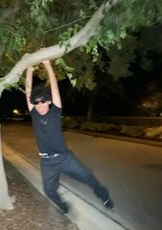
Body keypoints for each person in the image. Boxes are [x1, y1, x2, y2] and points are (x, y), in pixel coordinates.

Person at [25, 59, 114, 213]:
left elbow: (54, 86)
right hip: (47, 163)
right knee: (49, 190)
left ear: (49, 101)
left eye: (43, 101)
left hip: (64, 158)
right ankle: (64, 207)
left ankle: (104, 196)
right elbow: (28, 92)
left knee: (88, 177)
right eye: (36, 102)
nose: (39, 105)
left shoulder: (55, 111)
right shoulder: (34, 114)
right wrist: (29, 68)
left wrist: (47, 65)